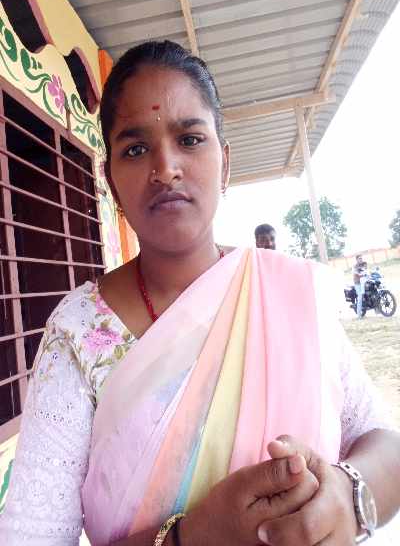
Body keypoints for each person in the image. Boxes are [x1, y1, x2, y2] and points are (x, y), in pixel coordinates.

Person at [0, 40, 399, 546]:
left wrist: (348, 493)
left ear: (225, 163)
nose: (166, 168)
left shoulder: (287, 293)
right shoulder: (80, 330)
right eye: (135, 149)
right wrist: (190, 537)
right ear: (111, 182)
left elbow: (384, 444)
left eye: (189, 139)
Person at [353, 254, 368, 319]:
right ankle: (359, 315)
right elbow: (356, 272)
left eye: (361, 258)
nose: (361, 259)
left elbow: (366, 270)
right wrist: (360, 274)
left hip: (363, 281)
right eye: (359, 258)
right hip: (358, 283)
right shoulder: (355, 266)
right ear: (356, 260)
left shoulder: (364, 264)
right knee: (360, 296)